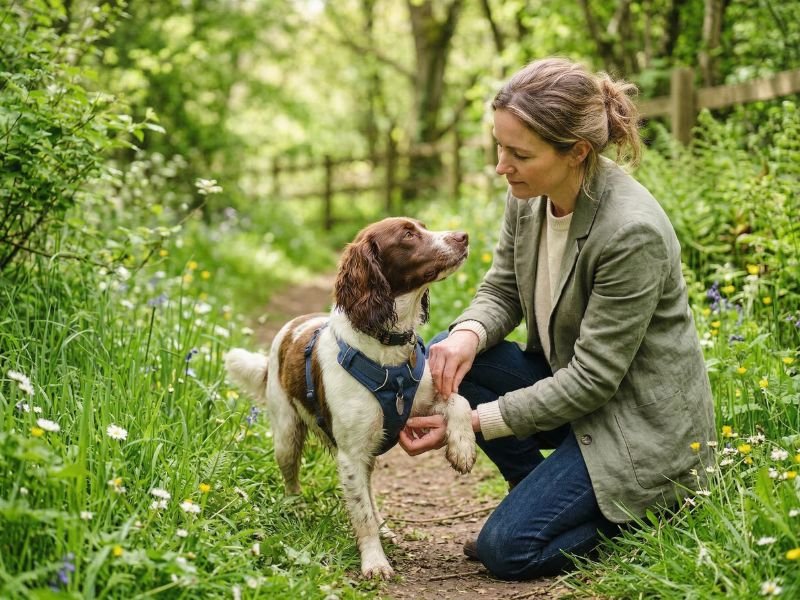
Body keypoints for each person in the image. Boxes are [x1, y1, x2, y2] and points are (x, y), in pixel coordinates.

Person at [398, 57, 716, 580]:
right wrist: (467, 334)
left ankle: (649, 511)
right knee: (452, 358)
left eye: (519, 153)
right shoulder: (528, 196)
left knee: (507, 552)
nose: (503, 165)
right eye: (500, 147)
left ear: (578, 152)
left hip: (635, 426)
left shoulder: (630, 232)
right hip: (579, 397)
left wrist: (473, 421)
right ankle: (538, 496)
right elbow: (502, 288)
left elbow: (592, 380)